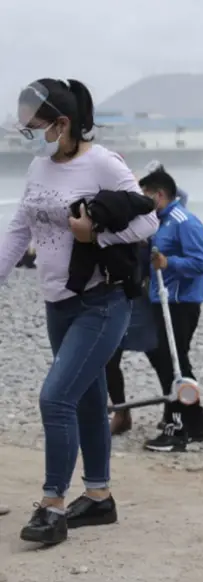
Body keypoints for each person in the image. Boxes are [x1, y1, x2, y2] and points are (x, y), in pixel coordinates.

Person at [0, 78, 159, 545]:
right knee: (87, 399)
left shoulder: (103, 162)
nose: (31, 134)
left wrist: (98, 237)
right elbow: (18, 230)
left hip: (102, 302)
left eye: (37, 126)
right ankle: (98, 496)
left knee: (56, 398)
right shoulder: (37, 167)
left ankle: (52, 505)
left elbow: (148, 219)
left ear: (63, 123)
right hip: (57, 301)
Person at [140, 168, 203, 453]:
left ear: (159, 195)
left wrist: (170, 263)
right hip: (160, 301)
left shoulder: (184, 221)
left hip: (181, 303)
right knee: (166, 361)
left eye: (145, 195)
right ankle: (196, 422)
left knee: (175, 364)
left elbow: (202, 262)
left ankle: (178, 428)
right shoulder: (157, 221)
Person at [105, 239, 158, 435]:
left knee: (159, 355)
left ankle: (174, 414)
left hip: (143, 298)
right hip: (116, 295)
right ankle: (121, 411)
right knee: (108, 358)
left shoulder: (156, 222)